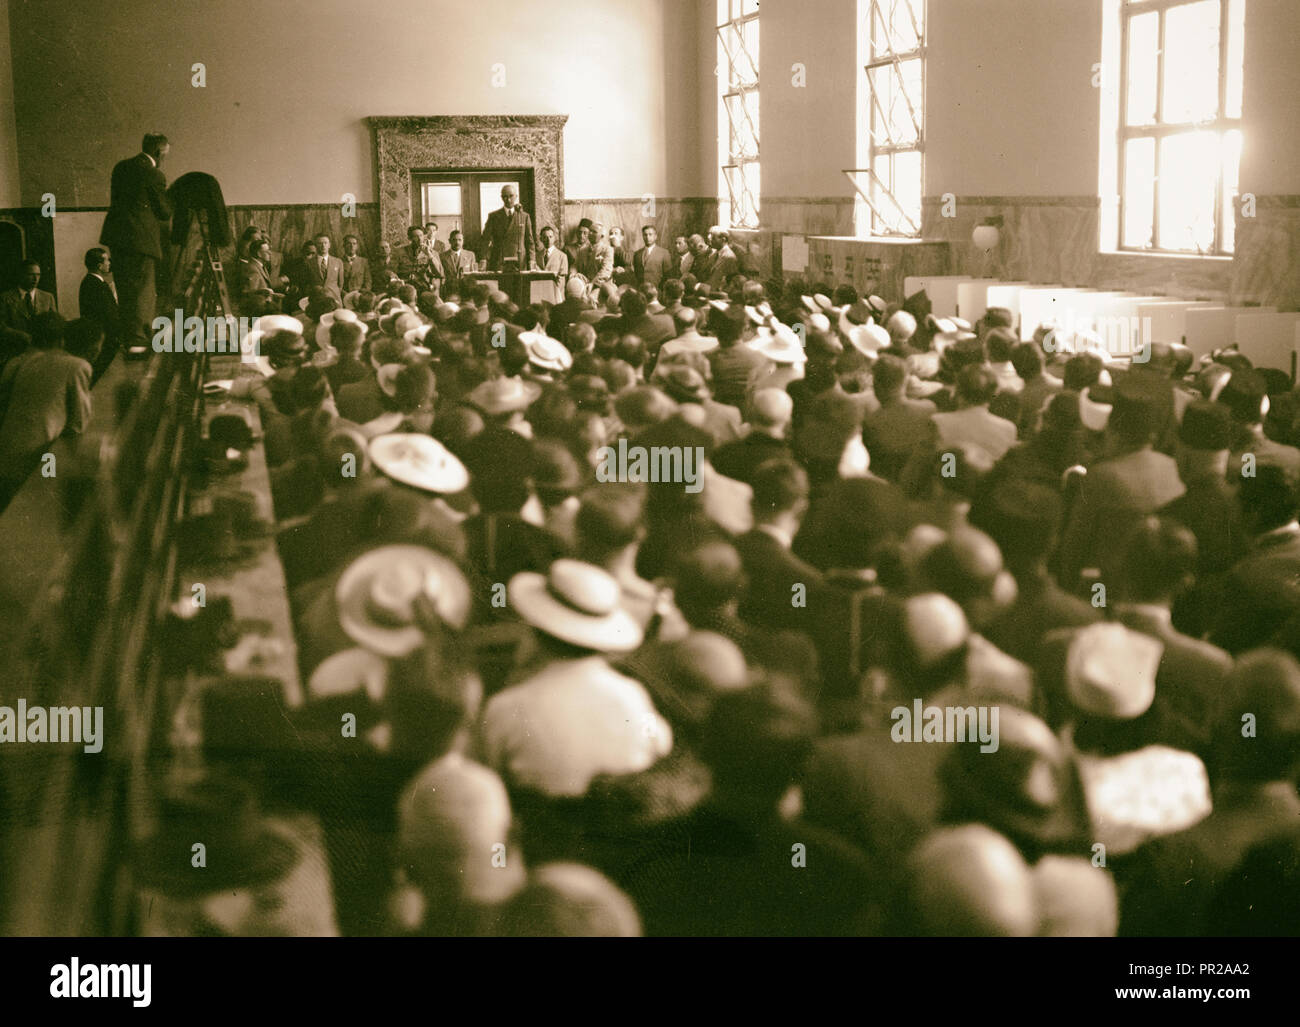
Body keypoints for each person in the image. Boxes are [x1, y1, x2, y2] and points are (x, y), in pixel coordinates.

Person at [0, 312, 92, 508]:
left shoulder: (16, 363)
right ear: (62, 340)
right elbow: (78, 425)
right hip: (37, 460)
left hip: (6, 455)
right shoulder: (74, 366)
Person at [100, 132, 171, 351]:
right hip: (140, 240)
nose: (164, 159)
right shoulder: (154, 174)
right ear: (158, 152)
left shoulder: (121, 167)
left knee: (125, 288)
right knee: (143, 290)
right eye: (165, 155)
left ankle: (131, 337)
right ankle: (139, 341)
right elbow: (164, 212)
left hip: (117, 237)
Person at [78, 248, 119, 380]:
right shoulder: (95, 284)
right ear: (99, 266)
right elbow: (108, 315)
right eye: (106, 260)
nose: (109, 263)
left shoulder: (92, 282)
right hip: (103, 339)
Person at [483, 184, 536, 272]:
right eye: (505, 197)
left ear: (516, 196)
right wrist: (483, 259)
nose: (508, 199)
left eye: (511, 196)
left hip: (519, 262)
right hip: (499, 261)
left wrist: (532, 260)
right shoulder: (494, 217)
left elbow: (530, 241)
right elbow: (485, 240)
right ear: (501, 197)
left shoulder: (524, 216)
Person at [0, 260, 58, 335]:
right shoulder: (5, 298)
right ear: (21, 275)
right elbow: (1, 326)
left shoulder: (48, 297)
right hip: (15, 343)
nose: (35, 279)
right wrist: (21, 335)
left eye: (38, 275)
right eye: (30, 274)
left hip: (41, 345)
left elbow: (55, 323)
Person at [633, 225, 672, 291]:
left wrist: (661, 290)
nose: (647, 237)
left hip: (657, 291)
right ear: (642, 236)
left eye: (650, 234)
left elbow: (668, 275)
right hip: (640, 292)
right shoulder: (637, 254)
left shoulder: (664, 253)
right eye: (645, 235)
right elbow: (636, 274)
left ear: (655, 236)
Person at [537, 225, 568, 305]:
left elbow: (561, 279)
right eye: (545, 237)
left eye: (550, 237)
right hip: (540, 294)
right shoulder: (537, 256)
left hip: (556, 296)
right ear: (541, 239)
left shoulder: (562, 256)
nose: (548, 240)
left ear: (554, 238)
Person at [442, 229, 476, 295]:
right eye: (454, 240)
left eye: (459, 240)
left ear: (463, 241)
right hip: (449, 290)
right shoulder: (442, 256)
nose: (457, 242)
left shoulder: (470, 255)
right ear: (449, 241)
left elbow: (473, 274)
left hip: (466, 289)